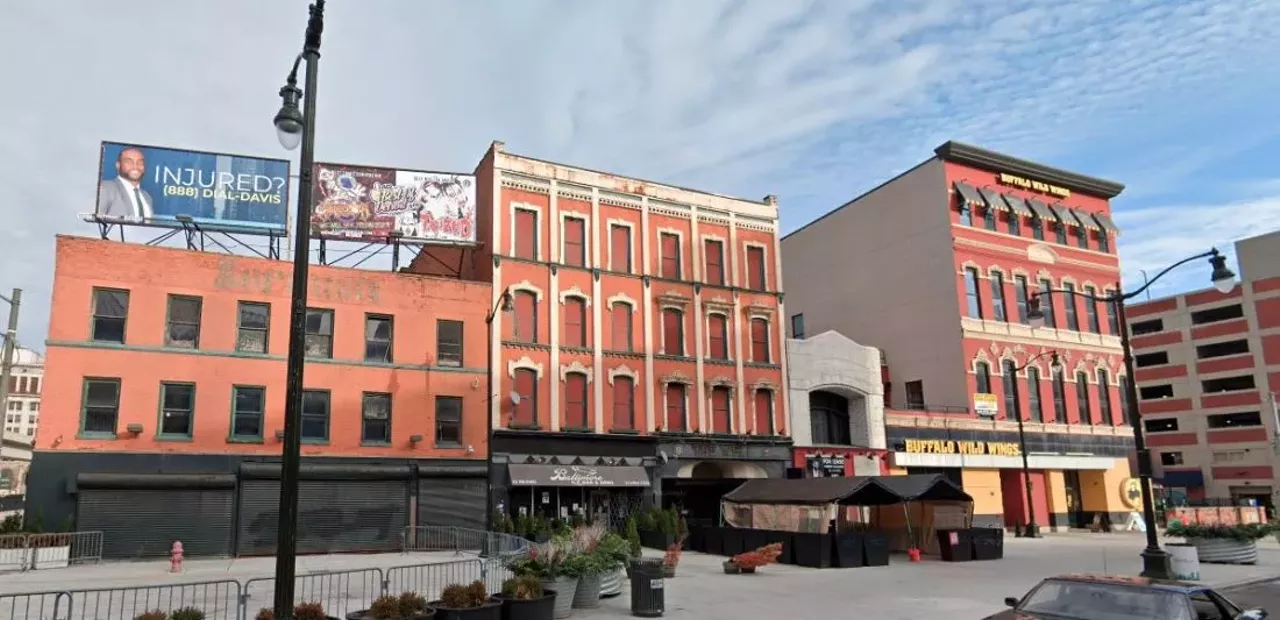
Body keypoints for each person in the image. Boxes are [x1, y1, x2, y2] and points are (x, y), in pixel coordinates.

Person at [97, 146, 153, 220]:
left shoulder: (147, 197)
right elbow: (96, 223)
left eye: (140, 162)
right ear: (118, 165)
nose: (135, 166)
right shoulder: (106, 188)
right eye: (129, 162)